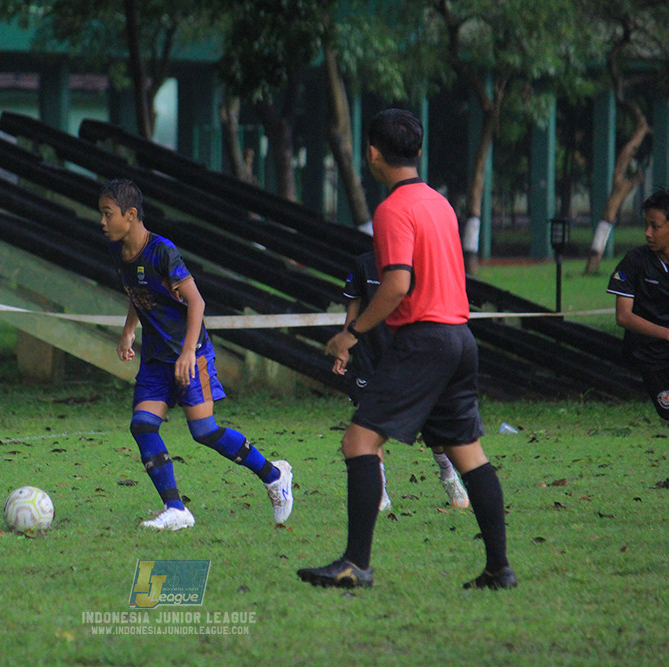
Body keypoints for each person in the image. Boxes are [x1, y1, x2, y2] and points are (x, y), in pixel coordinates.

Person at [297, 109, 515, 590]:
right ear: (416, 151)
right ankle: (499, 569)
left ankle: (356, 563)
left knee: (359, 442)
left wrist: (350, 334)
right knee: (467, 451)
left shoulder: (393, 209)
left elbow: (396, 284)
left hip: (424, 341)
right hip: (460, 338)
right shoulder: (440, 205)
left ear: (373, 153)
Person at [99, 178, 293, 531]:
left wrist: (189, 352)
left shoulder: (162, 251)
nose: (102, 221)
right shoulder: (117, 249)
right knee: (142, 425)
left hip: (190, 353)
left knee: (204, 431)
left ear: (130, 215)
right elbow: (139, 292)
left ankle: (274, 475)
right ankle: (176, 509)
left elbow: (197, 301)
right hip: (156, 359)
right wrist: (129, 330)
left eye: (107, 213)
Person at [343, 251, 470, 511]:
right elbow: (353, 310)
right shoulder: (363, 264)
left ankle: (448, 474)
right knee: (368, 426)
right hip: (369, 359)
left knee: (434, 425)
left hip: (412, 355)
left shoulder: (422, 265)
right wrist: (345, 345)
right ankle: (379, 491)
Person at [607, 189, 669, 429]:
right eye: (646, 225)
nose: (647, 233)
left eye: (655, 226)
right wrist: (666, 333)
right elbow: (623, 316)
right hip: (649, 356)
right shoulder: (635, 262)